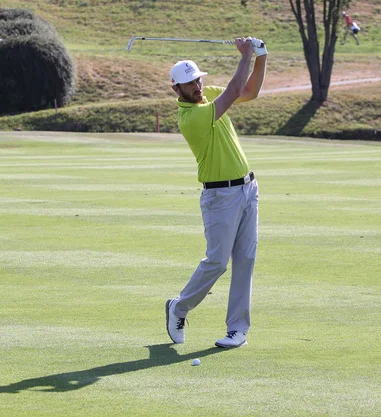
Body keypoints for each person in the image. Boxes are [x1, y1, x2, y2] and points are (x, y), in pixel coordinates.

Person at [165, 37, 267, 349]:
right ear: (176, 90)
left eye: (197, 80)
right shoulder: (190, 118)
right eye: (189, 84)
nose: (197, 87)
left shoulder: (208, 94)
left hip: (248, 188)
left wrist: (261, 57)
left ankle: (237, 329)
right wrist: (246, 55)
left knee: (245, 259)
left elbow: (248, 91)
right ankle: (178, 307)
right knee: (217, 262)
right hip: (219, 198)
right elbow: (235, 90)